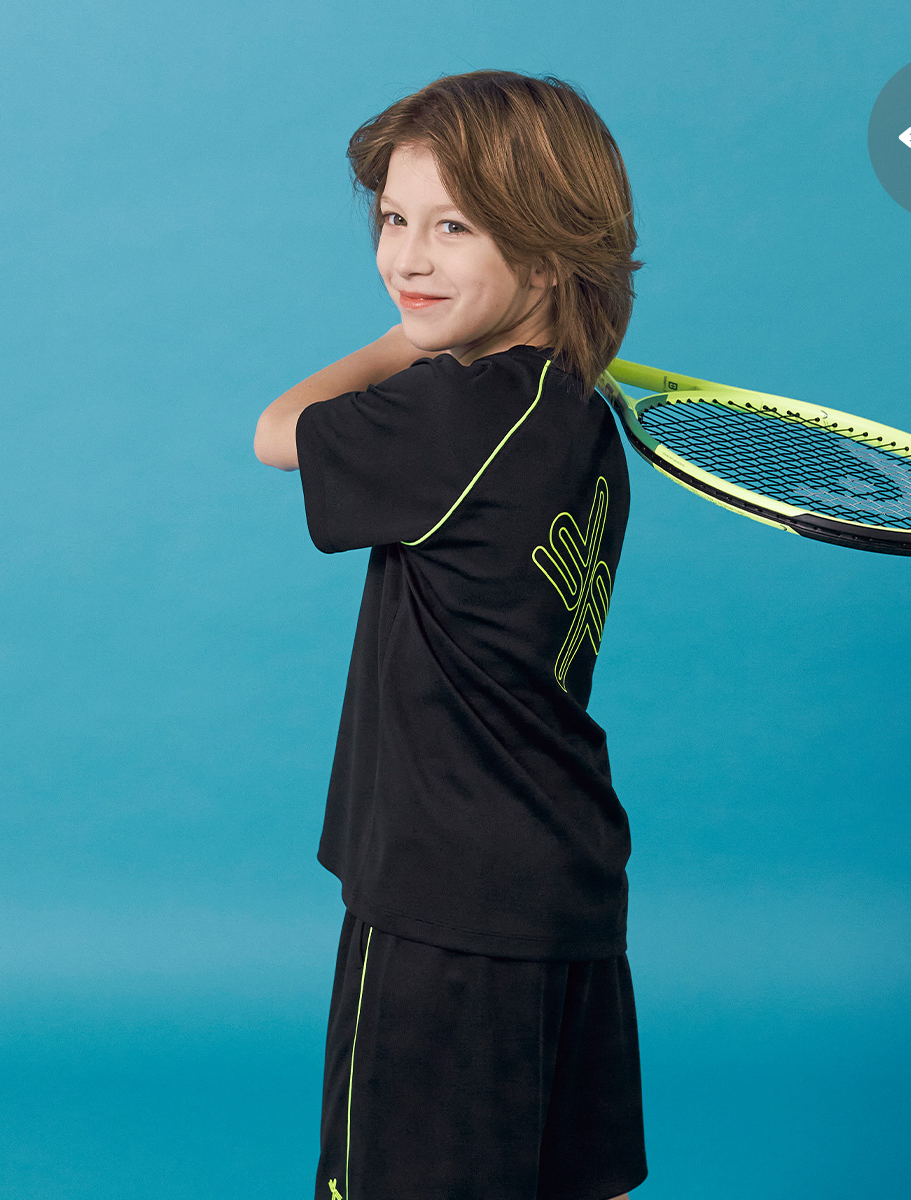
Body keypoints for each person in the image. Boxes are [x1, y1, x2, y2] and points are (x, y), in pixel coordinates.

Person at [254, 69, 645, 1200]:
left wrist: (405, 339)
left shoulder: (457, 414)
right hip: (566, 881)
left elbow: (279, 430)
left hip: (441, 899)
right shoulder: (573, 417)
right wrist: (444, 327)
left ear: (549, 250)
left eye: (454, 227)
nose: (408, 258)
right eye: (393, 219)